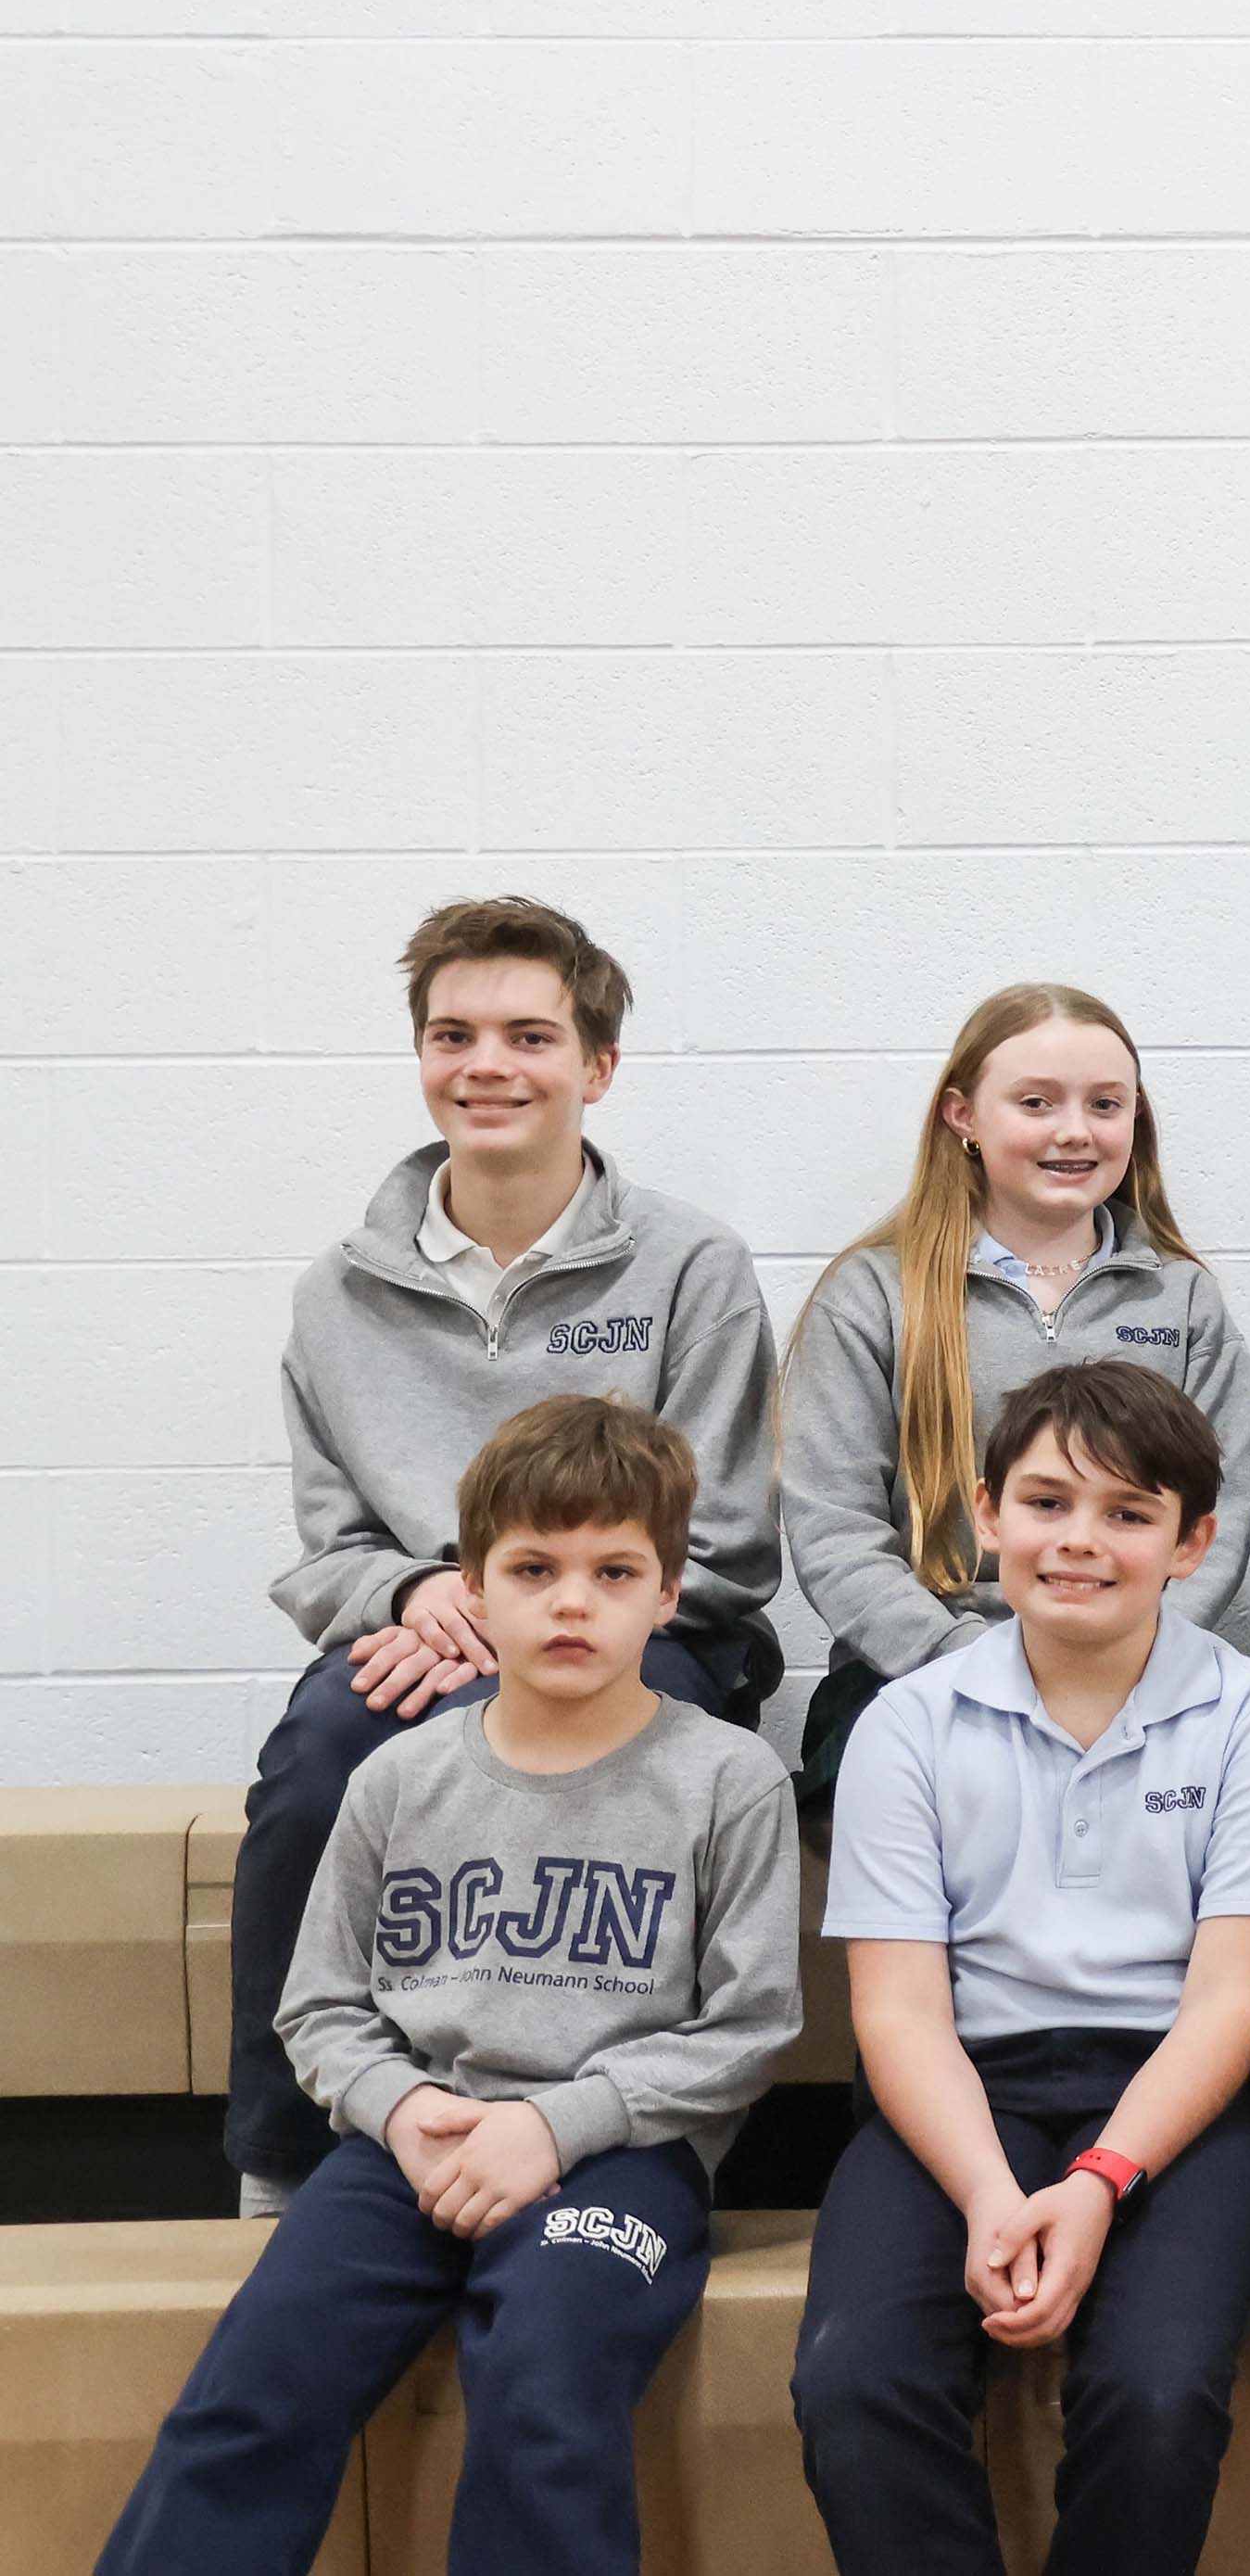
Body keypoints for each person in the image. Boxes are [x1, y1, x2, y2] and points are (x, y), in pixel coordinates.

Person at [98, 1397, 800, 2576]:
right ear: (472, 1587)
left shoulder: (729, 1780)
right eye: (533, 1567)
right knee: (253, 2382)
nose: (572, 1601)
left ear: (669, 1594)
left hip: (621, 2156)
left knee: (545, 2386)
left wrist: (555, 2124)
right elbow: (319, 2006)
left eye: (614, 1570)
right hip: (412, 2146)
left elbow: (750, 2026)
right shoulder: (397, 1778)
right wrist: (404, 2110)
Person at [229, 895, 780, 2213]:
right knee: (312, 1763)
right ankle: (288, 2155)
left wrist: (533, 1612)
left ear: (598, 1065)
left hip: (645, 1629)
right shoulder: (337, 1290)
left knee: (594, 1749)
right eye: (453, 1034)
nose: (487, 1064)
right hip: (425, 1622)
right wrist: (423, 1592)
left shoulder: (691, 1265)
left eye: (530, 1035)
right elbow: (330, 1548)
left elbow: (727, 1543)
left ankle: (614, 2131)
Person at [789, 1363, 1250, 2576]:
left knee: (1156, 2387)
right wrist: (991, 2193)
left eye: (1128, 1511)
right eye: (1046, 1502)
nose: (1079, 1539)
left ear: (1192, 1543)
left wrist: (1095, 2183)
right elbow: (899, 2014)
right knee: (855, 2378)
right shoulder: (906, 1723)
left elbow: (1232, 2003)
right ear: (987, 1515)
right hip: (959, 2093)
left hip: (1179, 2097)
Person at [778, 983, 1250, 1811]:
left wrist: (1130, 1664)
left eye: (1104, 1104)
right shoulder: (873, 1297)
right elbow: (833, 1529)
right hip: (918, 1673)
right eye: (1036, 1102)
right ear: (962, 1116)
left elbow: (1216, 1516)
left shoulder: (1183, 1302)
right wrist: (970, 1664)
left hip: (1136, 1673)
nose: (1074, 1130)